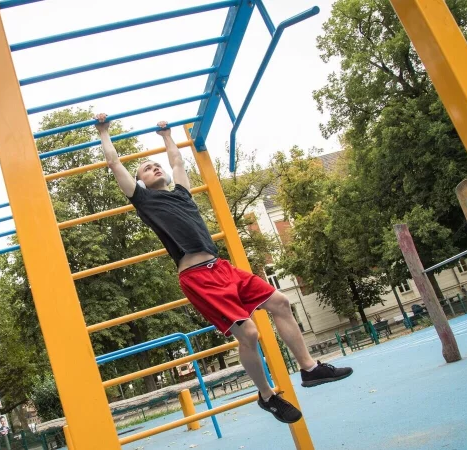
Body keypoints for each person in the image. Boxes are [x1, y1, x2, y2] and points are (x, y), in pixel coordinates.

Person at [93, 113, 353, 424]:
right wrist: (104, 131)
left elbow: (177, 162)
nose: (154, 167)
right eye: (146, 169)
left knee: (281, 303)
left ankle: (310, 369)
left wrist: (166, 136)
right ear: (140, 182)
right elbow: (115, 164)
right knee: (251, 333)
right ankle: (267, 396)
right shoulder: (144, 201)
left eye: (155, 164)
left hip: (222, 268)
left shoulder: (182, 193)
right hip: (198, 278)